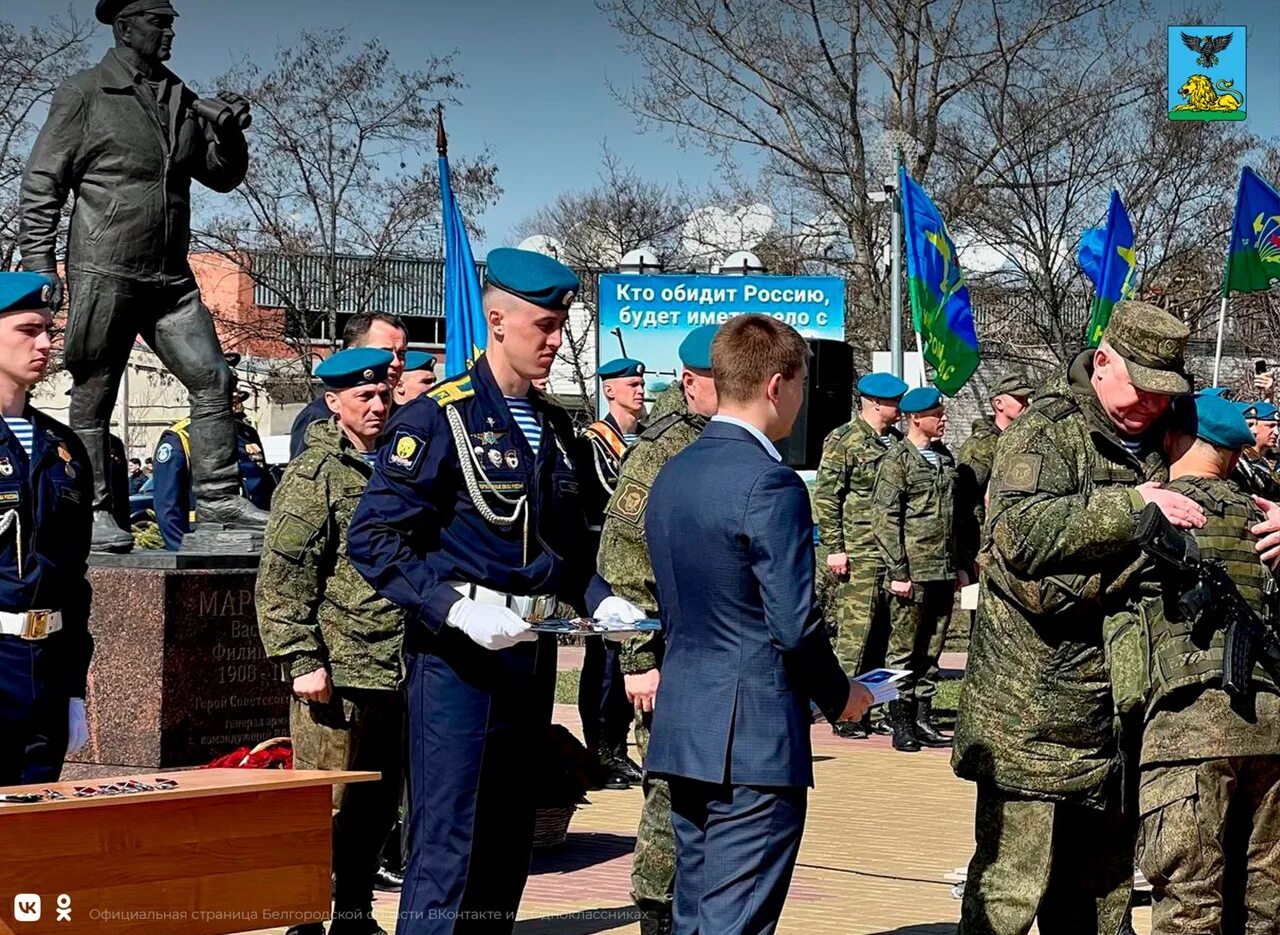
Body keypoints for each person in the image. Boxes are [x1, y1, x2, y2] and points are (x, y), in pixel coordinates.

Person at [347, 247, 593, 934]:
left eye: (560, 326)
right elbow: (373, 538)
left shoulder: (555, 427)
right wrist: (451, 604)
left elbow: (567, 550)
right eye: (543, 325)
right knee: (448, 846)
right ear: (497, 319)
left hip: (528, 657)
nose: (554, 340)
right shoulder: (438, 418)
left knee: (505, 845)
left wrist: (601, 596)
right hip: (458, 663)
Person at [952, 300, 1212, 935]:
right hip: (1032, 712)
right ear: (1102, 362)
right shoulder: (1048, 430)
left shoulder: (1173, 431)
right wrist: (1134, 509)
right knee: (1011, 893)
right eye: (1142, 387)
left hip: (1118, 710)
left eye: (1165, 393)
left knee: (1101, 899)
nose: (1152, 404)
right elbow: (1017, 533)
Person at [644, 314, 872, 935]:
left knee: (694, 913)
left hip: (687, 728)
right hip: (752, 742)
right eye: (801, 383)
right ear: (778, 385)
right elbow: (793, 626)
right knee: (734, 922)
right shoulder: (771, 483)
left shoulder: (674, 471)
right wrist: (842, 694)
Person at [19, 0, 263, 554]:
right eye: (159, 21)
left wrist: (227, 133)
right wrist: (38, 264)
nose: (170, 31)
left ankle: (221, 503)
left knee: (213, 379)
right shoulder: (84, 93)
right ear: (125, 27)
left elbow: (221, 177)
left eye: (172, 22)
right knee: (95, 392)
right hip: (106, 268)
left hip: (170, 278)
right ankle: (97, 510)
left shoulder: (181, 97)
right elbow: (41, 186)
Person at [1120, 392, 1280, 935]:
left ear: (1170, 437)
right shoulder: (1268, 517)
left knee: (1188, 904)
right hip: (1272, 727)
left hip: (1189, 727)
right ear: (1235, 453)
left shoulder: (1153, 511)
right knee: (1266, 903)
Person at [257, 347, 401, 935]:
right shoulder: (315, 473)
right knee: (325, 803)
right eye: (363, 397)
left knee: (376, 803)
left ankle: (356, 913)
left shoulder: (399, 463)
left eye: (382, 394)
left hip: (394, 665)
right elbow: (283, 573)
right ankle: (304, 919)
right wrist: (300, 658)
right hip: (335, 673)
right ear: (334, 403)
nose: (377, 405)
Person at [594, 325, 718, 935]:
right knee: (670, 787)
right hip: (667, 648)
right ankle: (656, 909)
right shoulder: (662, 449)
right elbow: (622, 559)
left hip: (714, 646)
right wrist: (640, 656)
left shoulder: (723, 438)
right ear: (694, 383)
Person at [0, 272, 93, 785]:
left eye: (49, 331)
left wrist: (74, 689)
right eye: (28, 329)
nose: (45, 343)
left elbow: (74, 577)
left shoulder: (64, 448)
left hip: (45, 667)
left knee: (34, 842)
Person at [811, 371, 908, 739]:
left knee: (884, 633)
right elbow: (827, 497)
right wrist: (835, 547)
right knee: (856, 634)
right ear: (874, 403)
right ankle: (842, 710)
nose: (898, 409)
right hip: (859, 550)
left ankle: (875, 706)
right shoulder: (844, 440)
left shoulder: (897, 443)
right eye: (893, 403)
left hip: (891, 553)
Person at [873, 386, 968, 752]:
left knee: (932, 650)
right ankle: (899, 721)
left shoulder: (943, 459)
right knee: (902, 651)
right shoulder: (897, 461)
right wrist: (898, 572)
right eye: (937, 414)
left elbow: (955, 519)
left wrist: (959, 565)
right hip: (911, 572)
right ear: (916, 418)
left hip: (941, 571)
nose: (943, 420)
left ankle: (922, 718)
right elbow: (884, 519)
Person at [578, 356, 648, 790]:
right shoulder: (592, 443)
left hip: (639, 564)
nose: (640, 391)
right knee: (604, 662)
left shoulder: (643, 441)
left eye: (641, 383)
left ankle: (620, 747)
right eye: (632, 384)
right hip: (604, 564)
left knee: (632, 658)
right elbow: (606, 497)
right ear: (609, 390)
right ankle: (601, 751)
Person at [152, 357, 275, 550]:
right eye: (228, 388)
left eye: (235, 387)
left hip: (254, 539)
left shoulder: (246, 433)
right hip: (204, 540)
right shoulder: (180, 438)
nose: (236, 394)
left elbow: (263, 490)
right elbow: (168, 509)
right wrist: (183, 555)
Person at [291, 312, 410, 459]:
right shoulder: (318, 415)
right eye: (384, 352)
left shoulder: (404, 416)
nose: (396, 362)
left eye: (402, 354)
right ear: (351, 352)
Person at [956, 373, 1034, 552]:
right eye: (1019, 398)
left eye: (1026, 398)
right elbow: (966, 502)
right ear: (999, 403)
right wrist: (972, 552)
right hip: (985, 542)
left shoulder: (1023, 439)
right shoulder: (982, 445)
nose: (1026, 404)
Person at [1233, 400, 1280, 499]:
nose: (1276, 432)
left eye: (1278, 426)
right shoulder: (1237, 461)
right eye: (1271, 426)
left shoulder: (1264, 460)